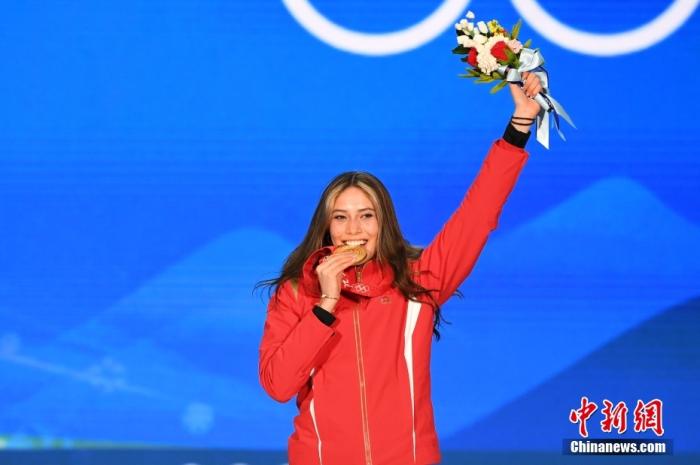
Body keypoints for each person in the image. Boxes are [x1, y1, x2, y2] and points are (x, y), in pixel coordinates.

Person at [257, 73, 543, 465]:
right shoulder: (296, 294)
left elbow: (477, 216)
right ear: (326, 228)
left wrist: (520, 125)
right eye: (341, 217)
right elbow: (277, 384)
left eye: (366, 216)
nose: (353, 230)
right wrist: (325, 305)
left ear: (383, 223)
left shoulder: (418, 281)